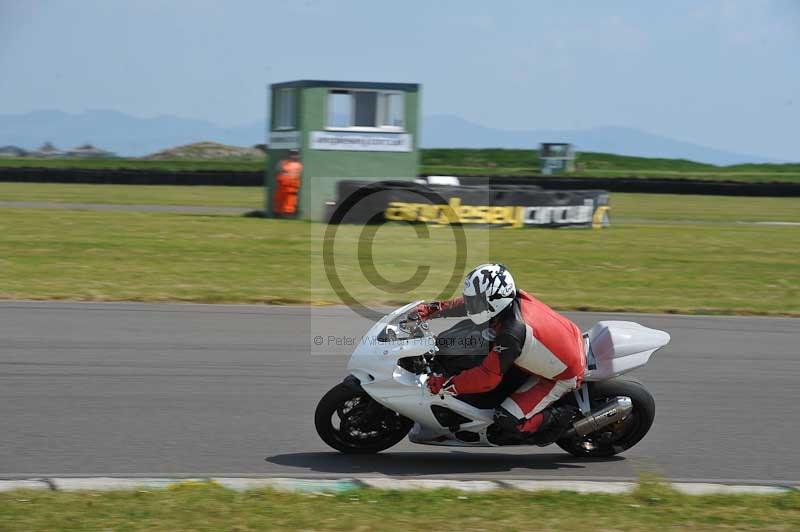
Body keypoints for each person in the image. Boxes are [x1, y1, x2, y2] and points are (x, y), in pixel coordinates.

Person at [415, 263, 586, 444]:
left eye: (476, 301)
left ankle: (563, 415)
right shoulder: (509, 300)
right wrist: (433, 309)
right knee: (466, 343)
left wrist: (445, 385)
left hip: (561, 376)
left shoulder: (511, 333)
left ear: (494, 302)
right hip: (561, 343)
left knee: (506, 419)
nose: (471, 305)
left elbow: (487, 379)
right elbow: (467, 304)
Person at [272, 149, 303, 218]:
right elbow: (276, 173)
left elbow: (299, 176)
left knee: (290, 205)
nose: (293, 156)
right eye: (292, 154)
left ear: (298, 155)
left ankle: (288, 217)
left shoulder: (299, 165)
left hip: (292, 189)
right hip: (281, 187)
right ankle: (277, 216)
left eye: (295, 154)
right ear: (289, 154)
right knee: (278, 204)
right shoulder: (282, 163)